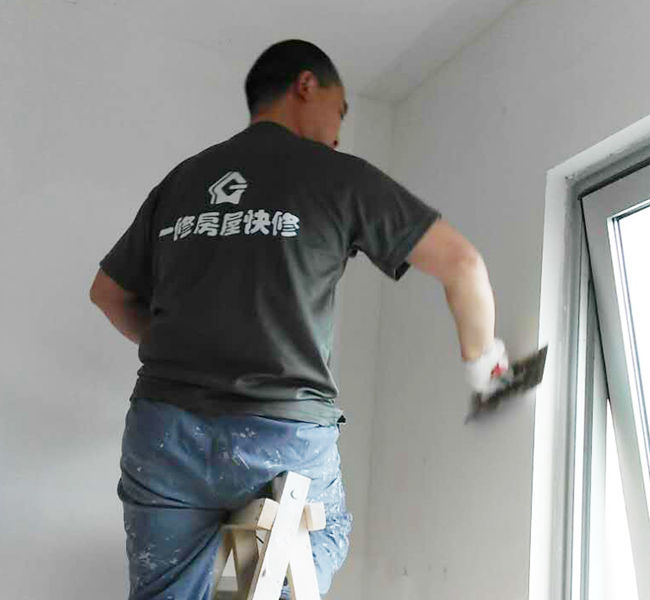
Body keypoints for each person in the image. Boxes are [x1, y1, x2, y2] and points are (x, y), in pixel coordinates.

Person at [90, 39, 508, 599]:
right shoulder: (337, 175)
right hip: (279, 437)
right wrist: (486, 367)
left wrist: (171, 343)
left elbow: (107, 293)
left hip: (164, 435)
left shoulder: (181, 181)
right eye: (340, 111)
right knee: (325, 532)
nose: (338, 133)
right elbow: (463, 264)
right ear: (306, 86)